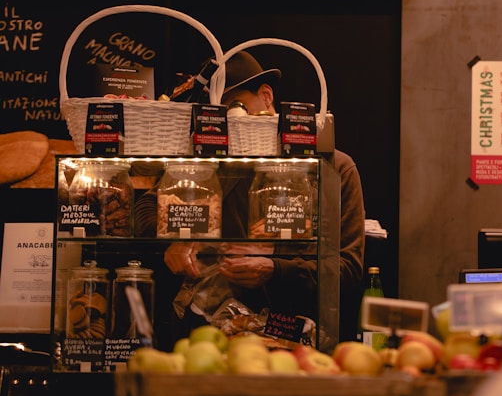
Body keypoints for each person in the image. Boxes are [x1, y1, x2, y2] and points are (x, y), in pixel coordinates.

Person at [134, 50, 366, 345]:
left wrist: (275, 269)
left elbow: (347, 270)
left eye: (234, 108)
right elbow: (145, 207)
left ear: (266, 96)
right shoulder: (210, 164)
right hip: (205, 334)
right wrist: (173, 239)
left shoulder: (333, 168)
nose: (227, 123)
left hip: (292, 333)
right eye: (215, 114)